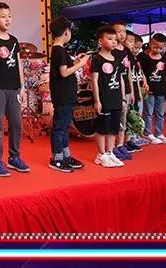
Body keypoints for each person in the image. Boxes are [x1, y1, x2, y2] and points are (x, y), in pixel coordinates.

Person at [0, 2, 30, 177]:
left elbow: (18, 64)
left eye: (9, 16)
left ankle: (14, 157)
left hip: (14, 89)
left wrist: (22, 87)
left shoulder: (14, 40)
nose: (7, 19)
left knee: (17, 124)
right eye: (3, 16)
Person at [49, 15, 90, 172]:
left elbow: (65, 68)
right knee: (60, 127)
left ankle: (66, 155)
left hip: (66, 94)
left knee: (65, 126)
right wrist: (81, 64)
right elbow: (64, 72)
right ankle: (57, 158)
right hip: (62, 95)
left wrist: (76, 62)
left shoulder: (60, 50)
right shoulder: (58, 50)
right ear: (66, 32)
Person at [91, 24, 127, 168]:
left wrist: (123, 98)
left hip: (116, 99)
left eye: (115, 40)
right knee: (102, 128)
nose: (113, 42)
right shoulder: (97, 59)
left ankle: (110, 152)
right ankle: (101, 155)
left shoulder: (116, 58)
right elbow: (94, 80)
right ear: (100, 41)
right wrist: (97, 101)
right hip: (104, 99)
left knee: (113, 128)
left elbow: (121, 79)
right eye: (110, 39)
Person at [111, 20, 137, 160]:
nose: (121, 34)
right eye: (118, 31)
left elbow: (129, 72)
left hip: (126, 88)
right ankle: (112, 146)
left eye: (124, 31)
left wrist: (131, 91)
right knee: (116, 117)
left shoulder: (126, 50)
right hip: (114, 89)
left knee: (124, 117)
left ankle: (121, 144)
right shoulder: (111, 50)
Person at [138, 33, 166, 144]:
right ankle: (148, 132)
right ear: (150, 44)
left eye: (160, 48)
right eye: (155, 47)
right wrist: (145, 83)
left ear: (164, 47)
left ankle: (159, 133)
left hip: (161, 90)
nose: (157, 50)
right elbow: (142, 72)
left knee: (160, 113)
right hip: (150, 90)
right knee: (148, 112)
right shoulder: (145, 58)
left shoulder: (164, 58)